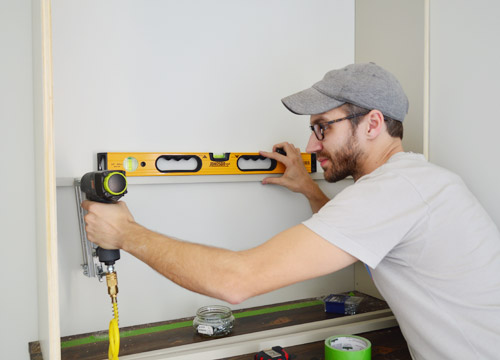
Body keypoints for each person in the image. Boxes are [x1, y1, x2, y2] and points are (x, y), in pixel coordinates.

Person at [82, 63, 500, 359]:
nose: (313, 145)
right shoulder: (410, 184)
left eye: (324, 127)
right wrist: (308, 190)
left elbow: (235, 281)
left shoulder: (394, 191)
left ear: (372, 124)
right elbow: (356, 238)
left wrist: (126, 234)